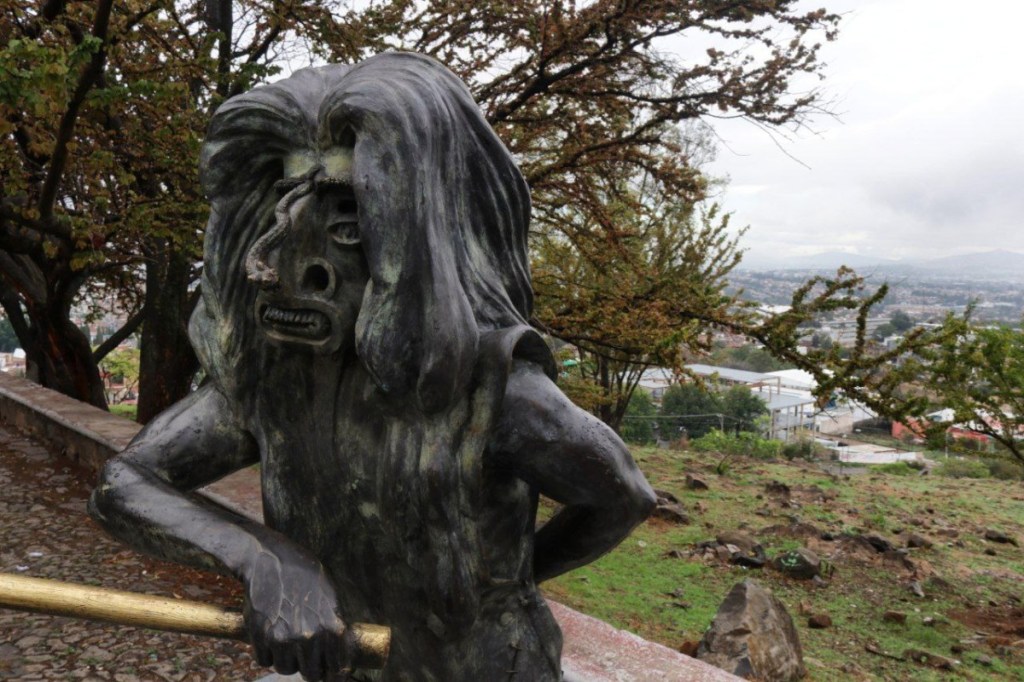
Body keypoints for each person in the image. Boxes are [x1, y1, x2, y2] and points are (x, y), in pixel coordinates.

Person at [89, 53, 655, 682]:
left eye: (348, 228)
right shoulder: (272, 382)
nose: (288, 269)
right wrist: (268, 561)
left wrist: (494, 588)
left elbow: (622, 497)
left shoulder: (497, 393)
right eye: (283, 220)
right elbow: (124, 483)